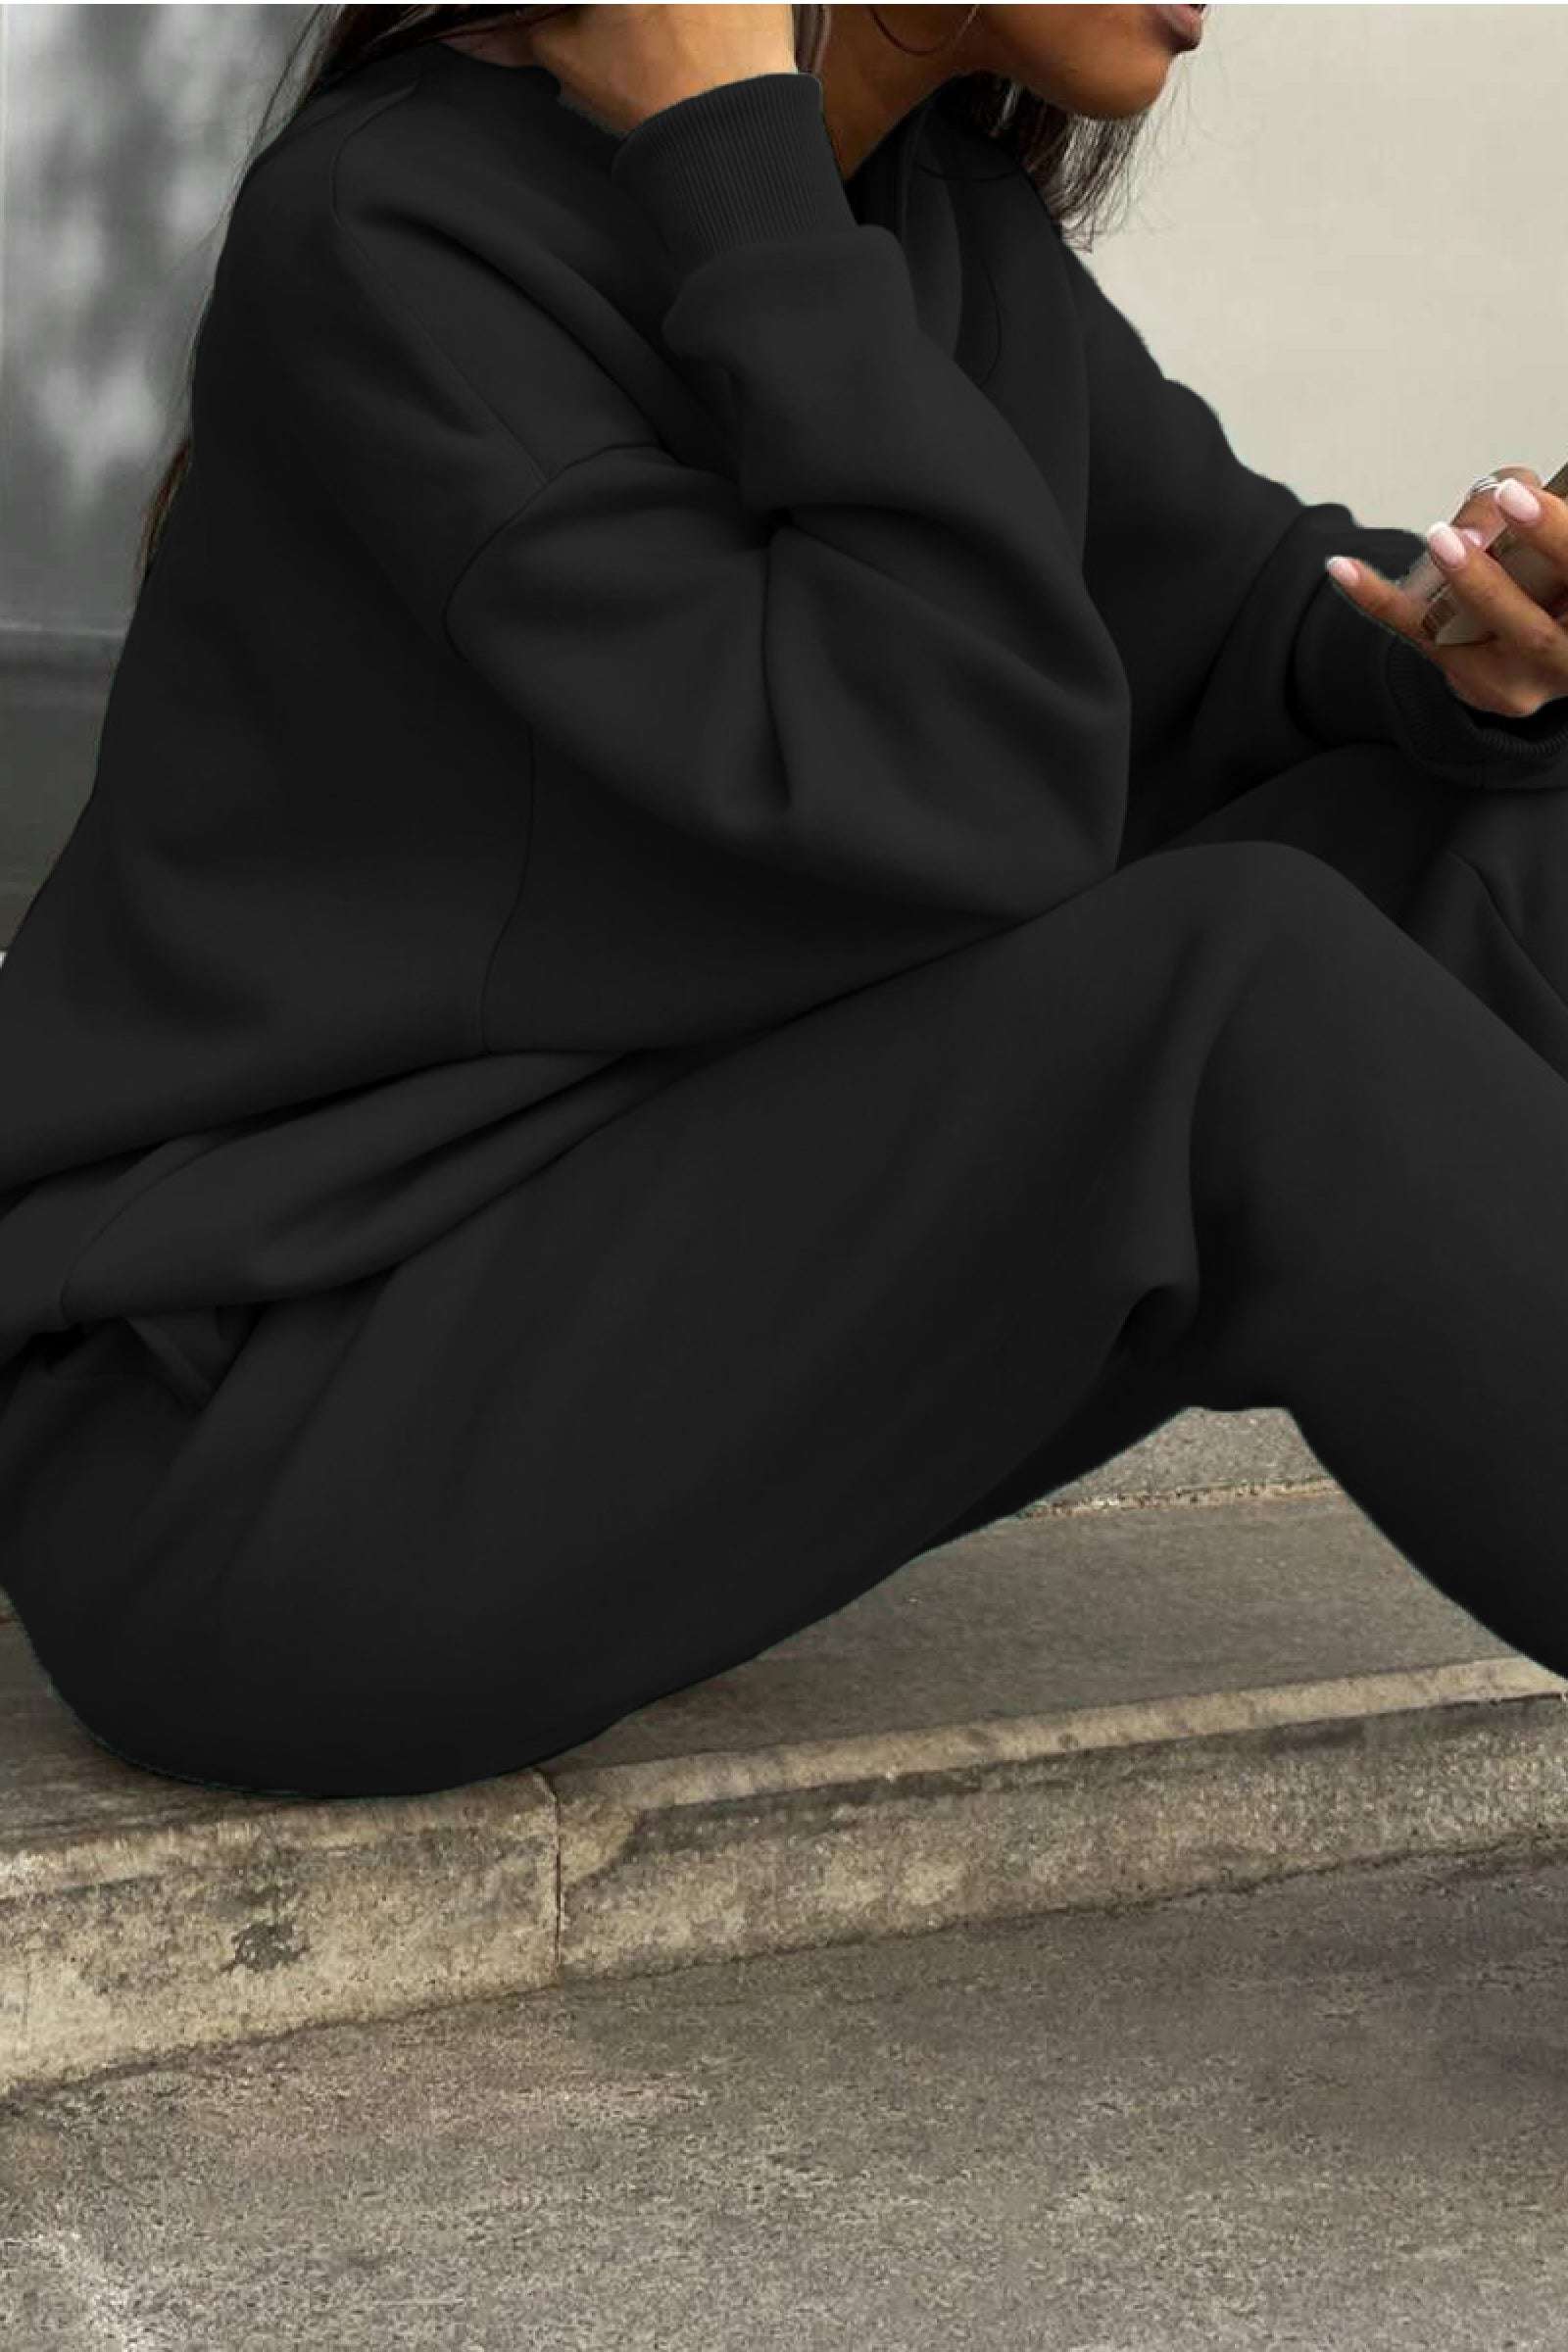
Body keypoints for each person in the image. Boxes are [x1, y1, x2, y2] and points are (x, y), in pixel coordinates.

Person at [2, 3, 1568, 1801]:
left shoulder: (921, 227)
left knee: (1506, 836)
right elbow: (956, 789)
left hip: (595, 1292)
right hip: (272, 1454)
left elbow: (1233, 625)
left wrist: (1472, 650)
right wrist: (738, 170)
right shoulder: (401, 235)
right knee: (1244, 999)